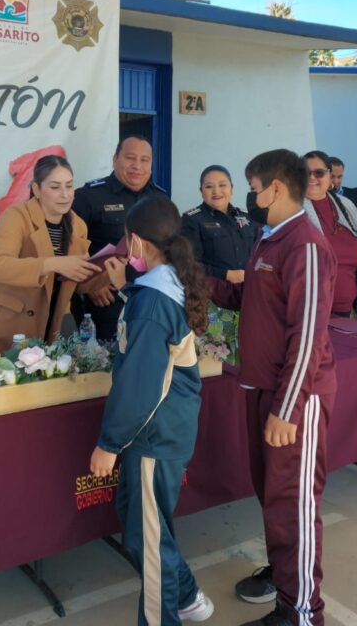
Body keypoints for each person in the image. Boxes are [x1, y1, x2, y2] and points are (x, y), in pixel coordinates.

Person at [209, 149, 336, 626]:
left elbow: (307, 336)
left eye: (252, 187)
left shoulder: (303, 244)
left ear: (275, 188)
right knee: (275, 504)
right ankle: (288, 599)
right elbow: (247, 297)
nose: (249, 197)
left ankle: (304, 614)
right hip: (265, 390)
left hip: (293, 400)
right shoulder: (269, 237)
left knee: (294, 508)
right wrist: (194, 281)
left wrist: (286, 408)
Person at [91, 194, 214, 625]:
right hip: (163, 430)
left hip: (152, 433)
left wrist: (108, 443)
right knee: (143, 526)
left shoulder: (152, 301)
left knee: (149, 541)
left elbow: (140, 385)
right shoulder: (161, 287)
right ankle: (188, 596)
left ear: (136, 243)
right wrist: (129, 286)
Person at [0, 155, 105, 356]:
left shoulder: (78, 225)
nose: (65, 194)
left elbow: (76, 283)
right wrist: (52, 264)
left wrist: (107, 272)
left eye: (69, 186)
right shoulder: (16, 216)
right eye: (55, 187)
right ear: (36, 189)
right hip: (0, 326)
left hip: (44, 327)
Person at [72, 135, 167, 340]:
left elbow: (168, 248)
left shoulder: (160, 199)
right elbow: (71, 248)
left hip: (150, 301)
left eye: (145, 160)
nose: (137, 166)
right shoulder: (89, 197)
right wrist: (90, 285)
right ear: (115, 159)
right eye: (130, 158)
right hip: (105, 303)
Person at [304, 151, 357, 320]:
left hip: (346, 310)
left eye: (318, 172)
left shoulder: (346, 206)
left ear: (329, 176)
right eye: (304, 172)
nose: (312, 177)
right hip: (308, 311)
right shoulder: (291, 209)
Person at [181, 164, 259, 283]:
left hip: (248, 289)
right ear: (201, 191)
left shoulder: (247, 217)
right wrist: (227, 275)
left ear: (231, 189)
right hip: (213, 292)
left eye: (222, 185)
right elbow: (190, 264)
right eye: (209, 186)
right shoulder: (192, 220)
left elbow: (260, 255)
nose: (216, 191)